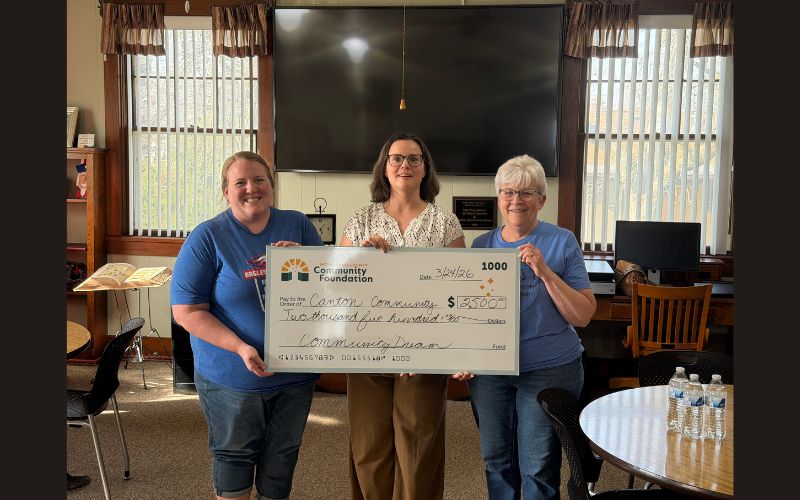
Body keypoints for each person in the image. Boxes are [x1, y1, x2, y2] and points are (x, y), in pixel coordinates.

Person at [171, 151, 323, 500]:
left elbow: (327, 289)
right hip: (232, 377)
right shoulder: (208, 236)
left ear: (271, 185)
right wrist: (239, 347)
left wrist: (308, 263)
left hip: (295, 375)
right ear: (226, 191)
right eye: (240, 182)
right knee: (234, 457)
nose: (251, 188)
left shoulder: (298, 224)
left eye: (259, 180)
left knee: (282, 458)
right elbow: (187, 311)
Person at [340, 132, 470, 500]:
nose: (405, 165)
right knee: (369, 447)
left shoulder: (445, 223)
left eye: (414, 158)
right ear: (384, 167)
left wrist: (459, 349)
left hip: (423, 353)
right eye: (396, 158)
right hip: (366, 349)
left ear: (425, 168)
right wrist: (360, 258)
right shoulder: (361, 219)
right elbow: (337, 284)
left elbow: (458, 292)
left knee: (417, 448)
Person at [468, 154, 597, 500]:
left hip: (549, 369)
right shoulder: (481, 246)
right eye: (508, 192)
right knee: (496, 461)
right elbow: (470, 313)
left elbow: (583, 315)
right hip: (492, 372)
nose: (516, 200)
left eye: (526, 192)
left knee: (538, 468)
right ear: (499, 198)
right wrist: (462, 352)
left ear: (541, 199)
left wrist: (545, 272)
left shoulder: (562, 241)